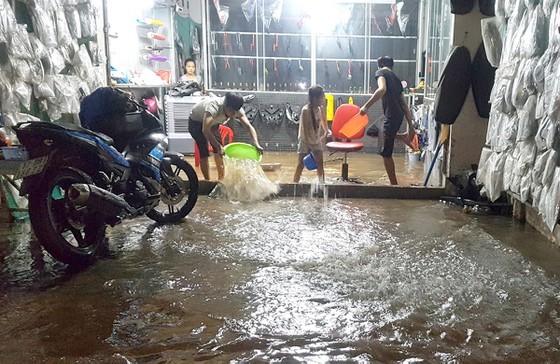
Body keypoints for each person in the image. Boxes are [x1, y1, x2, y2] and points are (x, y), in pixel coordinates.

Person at [359, 56, 415, 185]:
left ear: (380, 65)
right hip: (397, 115)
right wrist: (411, 126)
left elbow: (382, 89)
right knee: (373, 131)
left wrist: (366, 106)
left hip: (391, 116)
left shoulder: (381, 72)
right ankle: (401, 137)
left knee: (386, 153)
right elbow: (404, 105)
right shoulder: (396, 79)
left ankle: (393, 185)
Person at [188, 92, 264, 180]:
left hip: (213, 123)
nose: (233, 114)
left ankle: (221, 179)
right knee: (204, 153)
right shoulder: (214, 106)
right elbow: (205, 130)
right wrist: (217, 145)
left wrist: (256, 143)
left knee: (220, 151)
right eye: (231, 111)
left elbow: (248, 127)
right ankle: (207, 180)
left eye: (235, 111)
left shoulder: (236, 110)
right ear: (225, 105)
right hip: (196, 122)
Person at [293, 85, 331, 184]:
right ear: (315, 98)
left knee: (320, 164)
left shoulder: (321, 108)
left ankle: (322, 184)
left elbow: (323, 121)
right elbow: (305, 130)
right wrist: (308, 147)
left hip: (316, 140)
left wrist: (327, 131)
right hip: (305, 141)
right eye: (321, 97)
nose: (323, 99)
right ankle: (294, 185)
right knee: (300, 165)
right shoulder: (305, 110)